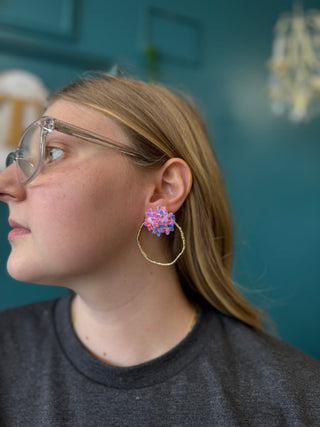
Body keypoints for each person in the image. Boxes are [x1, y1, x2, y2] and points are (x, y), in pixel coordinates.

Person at [0, 72, 319, 426]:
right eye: (21, 157)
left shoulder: (298, 400)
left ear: (164, 189)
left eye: (54, 152)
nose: (6, 184)